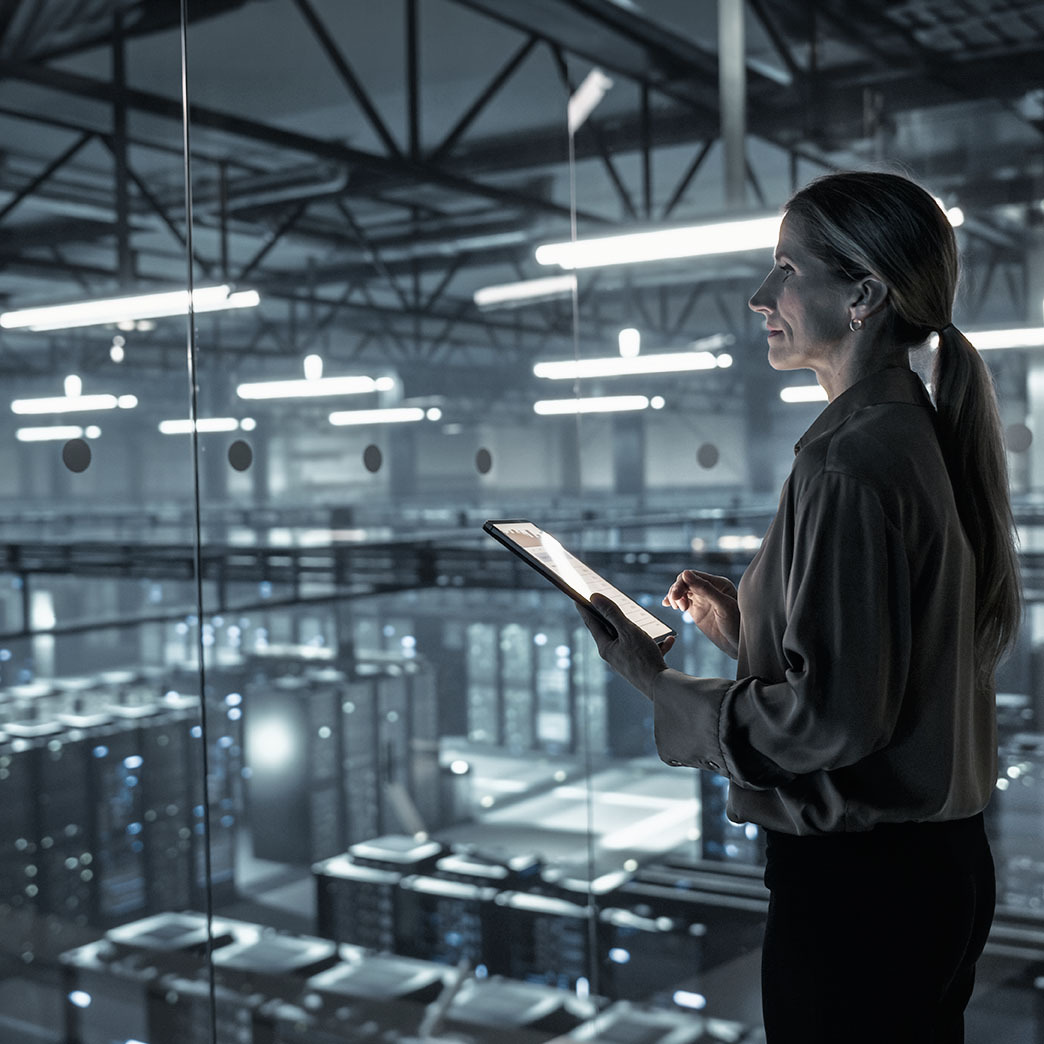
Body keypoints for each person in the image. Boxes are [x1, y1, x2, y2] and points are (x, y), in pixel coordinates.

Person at [577, 171, 1021, 1044]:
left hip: (864, 892)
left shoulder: (850, 461)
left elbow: (834, 720)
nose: (759, 296)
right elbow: (892, 661)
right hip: (934, 874)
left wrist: (655, 683)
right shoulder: (912, 436)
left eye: (786, 268)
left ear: (862, 295)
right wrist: (748, 625)